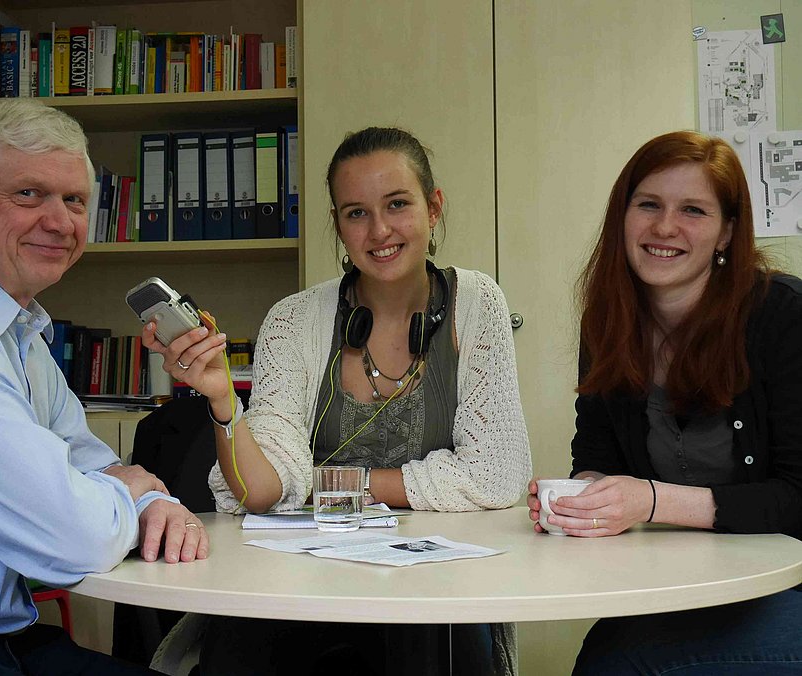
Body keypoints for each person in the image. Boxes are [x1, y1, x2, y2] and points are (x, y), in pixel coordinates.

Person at [144, 127, 532, 675]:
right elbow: (263, 492)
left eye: (397, 204)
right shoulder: (293, 320)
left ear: (434, 207)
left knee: (427, 643)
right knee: (245, 642)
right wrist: (222, 398)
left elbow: (496, 474)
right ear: (337, 224)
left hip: (433, 584)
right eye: (356, 213)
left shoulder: (476, 304)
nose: (379, 231)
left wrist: (338, 484)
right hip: (301, 581)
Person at [0, 98, 208, 675]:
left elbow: (85, 461)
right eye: (28, 194)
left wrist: (148, 496)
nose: (61, 222)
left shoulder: (17, 327)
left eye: (74, 201)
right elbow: (71, 536)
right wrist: (133, 491)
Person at [526, 130, 802, 674]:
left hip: (788, 586)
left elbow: (798, 496)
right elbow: (597, 450)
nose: (664, 227)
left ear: (726, 232)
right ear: (621, 217)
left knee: (619, 666)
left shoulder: (782, 316)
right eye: (648, 204)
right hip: (692, 586)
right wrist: (581, 500)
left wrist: (649, 501)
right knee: (608, 654)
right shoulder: (609, 321)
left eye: (693, 210)